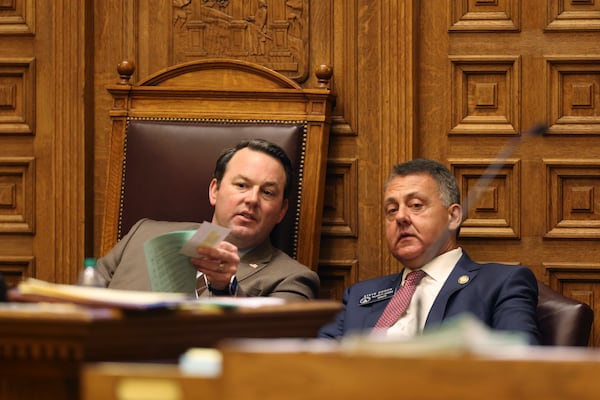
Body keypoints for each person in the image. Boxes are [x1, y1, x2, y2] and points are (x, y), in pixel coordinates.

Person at [318, 158, 541, 344]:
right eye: (391, 210)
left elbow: (520, 364)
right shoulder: (359, 296)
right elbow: (315, 367)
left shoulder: (500, 284)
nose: (400, 217)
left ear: (453, 216)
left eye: (416, 205)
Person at [96, 138, 319, 301]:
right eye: (241, 185)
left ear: (281, 210)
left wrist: (226, 288)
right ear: (215, 191)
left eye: (267, 192)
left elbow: (270, 342)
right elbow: (80, 300)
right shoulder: (142, 234)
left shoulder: (292, 279)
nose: (252, 199)